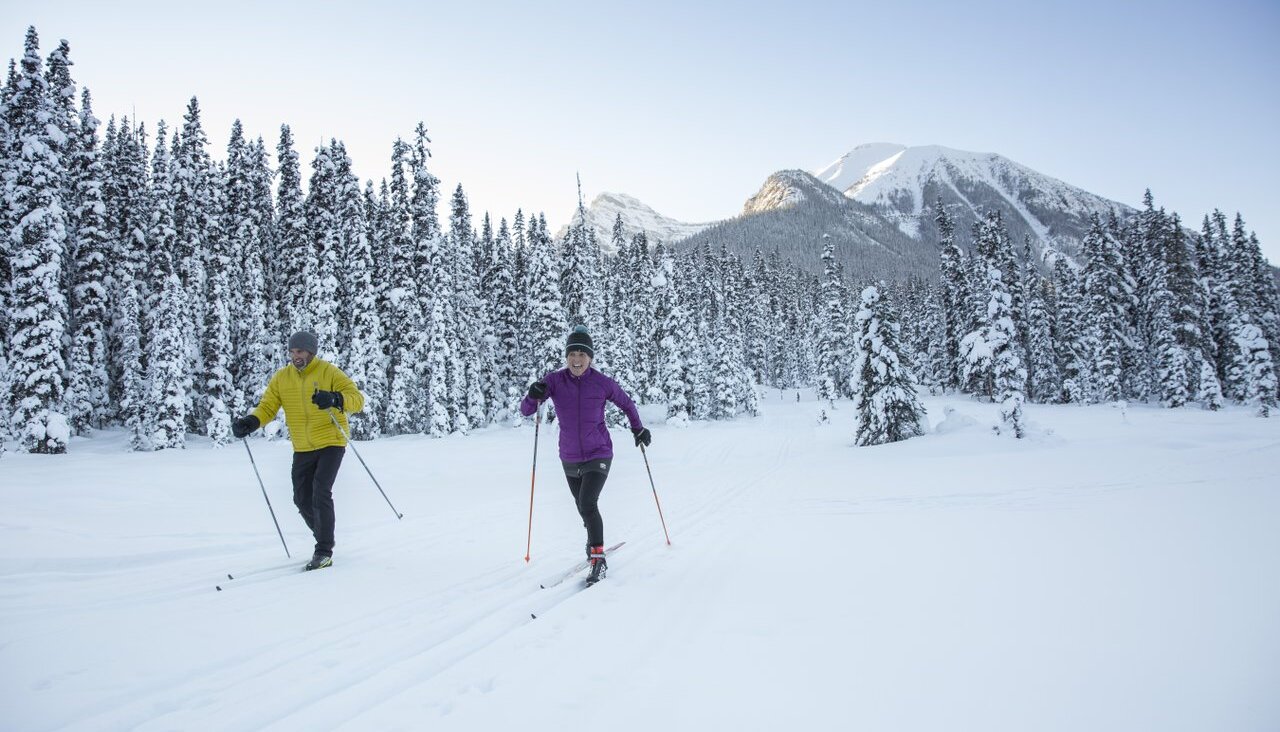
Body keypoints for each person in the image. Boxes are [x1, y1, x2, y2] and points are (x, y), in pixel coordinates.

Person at [520, 325, 651, 585]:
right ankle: (593, 544)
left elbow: (626, 403)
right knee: (582, 507)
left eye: (582, 354)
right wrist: (532, 395)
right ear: (566, 356)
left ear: (590, 357)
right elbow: (526, 410)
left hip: (599, 452)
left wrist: (638, 428)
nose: (576, 359)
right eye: (572, 354)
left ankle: (598, 558)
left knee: (588, 502)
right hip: (569, 455)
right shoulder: (555, 380)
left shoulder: (602, 383)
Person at [231, 331, 365, 571]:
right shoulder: (282, 378)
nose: (296, 357)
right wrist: (251, 422)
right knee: (301, 498)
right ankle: (325, 534)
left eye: (300, 352)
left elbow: (357, 400)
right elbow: (268, 406)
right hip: (302, 446)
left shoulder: (329, 372)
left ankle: (324, 550)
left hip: (332, 440)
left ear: (311, 352)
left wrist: (334, 398)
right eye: (292, 352)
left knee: (320, 490)